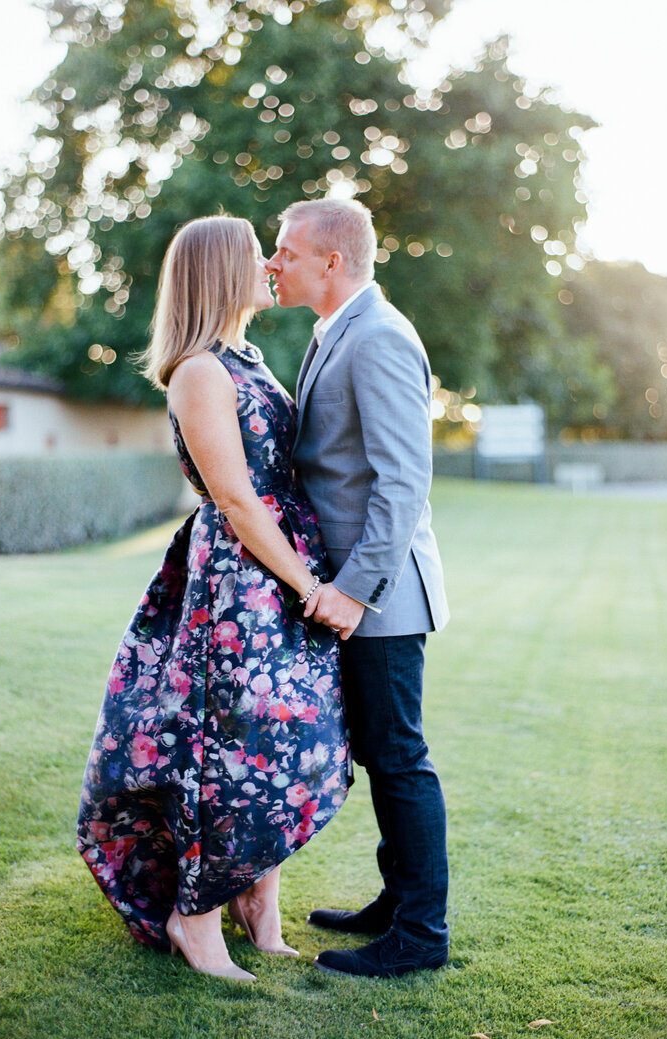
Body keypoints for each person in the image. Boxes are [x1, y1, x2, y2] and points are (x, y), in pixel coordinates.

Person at [76, 215, 349, 982]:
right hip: (243, 590)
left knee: (286, 747)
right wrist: (308, 584)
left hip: (280, 574)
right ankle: (193, 919)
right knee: (231, 753)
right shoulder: (200, 370)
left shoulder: (248, 357)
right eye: (254, 254)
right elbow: (233, 495)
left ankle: (258, 905)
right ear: (221, 272)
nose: (270, 263)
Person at [266, 198, 450, 978]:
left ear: (331, 261)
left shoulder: (376, 336)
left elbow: (404, 483)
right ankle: (396, 898)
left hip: (380, 595)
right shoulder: (333, 331)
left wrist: (352, 589)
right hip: (354, 590)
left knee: (400, 755)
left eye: (286, 251)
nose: (273, 262)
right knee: (379, 751)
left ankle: (421, 933)